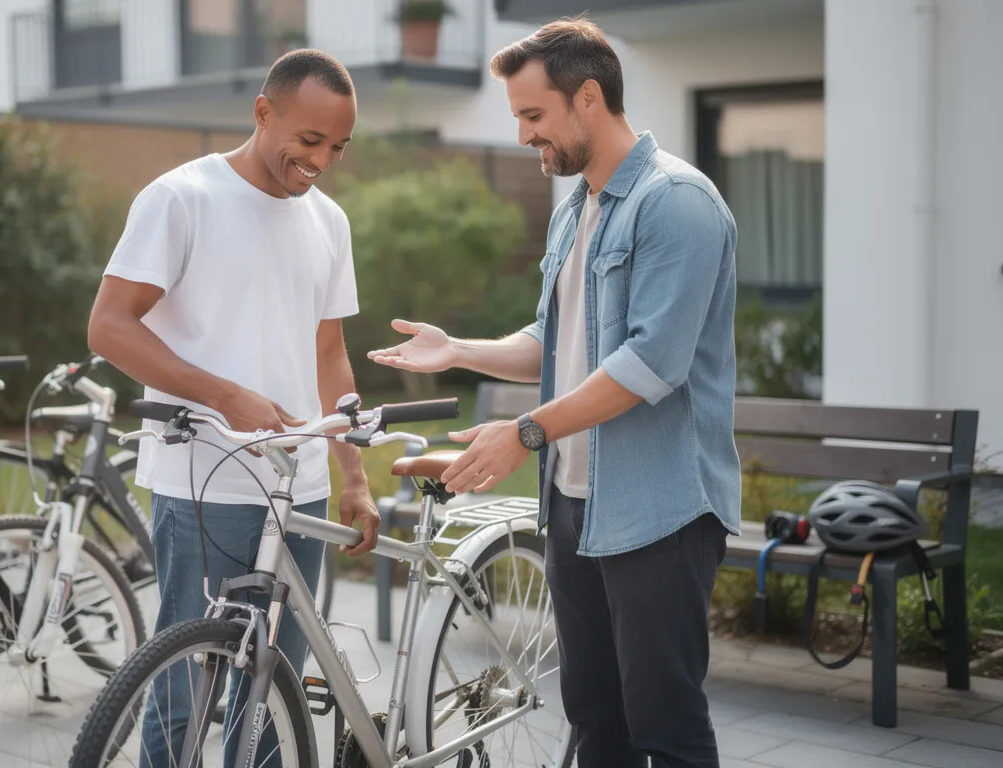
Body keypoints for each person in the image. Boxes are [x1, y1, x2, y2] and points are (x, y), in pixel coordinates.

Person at [367, 17, 741, 768]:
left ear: (589, 98)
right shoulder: (577, 206)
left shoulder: (678, 203)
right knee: (595, 720)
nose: (523, 136)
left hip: (660, 510)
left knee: (664, 728)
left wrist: (525, 432)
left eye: (533, 116)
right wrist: (460, 350)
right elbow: (554, 343)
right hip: (574, 505)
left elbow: (649, 365)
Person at [86, 49, 377, 767]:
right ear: (263, 111)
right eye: (309, 141)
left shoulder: (329, 221)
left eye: (337, 147)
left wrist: (355, 477)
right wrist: (222, 393)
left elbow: (329, 351)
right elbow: (109, 326)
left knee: (274, 692)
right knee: (184, 688)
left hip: (300, 491)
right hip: (202, 486)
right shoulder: (181, 198)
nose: (321, 161)